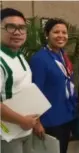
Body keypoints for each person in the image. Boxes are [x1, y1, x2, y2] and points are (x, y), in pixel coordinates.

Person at [29, 18, 77, 153]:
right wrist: (37, 122)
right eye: (56, 32)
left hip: (67, 115)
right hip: (50, 119)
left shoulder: (63, 55)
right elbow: (35, 92)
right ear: (47, 34)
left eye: (64, 32)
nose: (61, 35)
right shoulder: (40, 58)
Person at [0, 8, 38, 153]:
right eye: (10, 27)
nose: (17, 32)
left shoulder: (19, 56)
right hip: (6, 135)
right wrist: (22, 121)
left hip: (25, 130)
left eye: (22, 28)